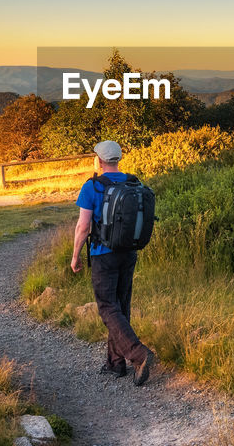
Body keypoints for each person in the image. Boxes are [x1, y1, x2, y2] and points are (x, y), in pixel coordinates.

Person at [70, 140, 158, 386]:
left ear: (98, 160)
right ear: (118, 159)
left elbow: (83, 226)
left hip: (103, 254)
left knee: (108, 308)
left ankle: (139, 355)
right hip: (129, 252)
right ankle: (115, 363)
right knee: (121, 306)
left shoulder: (92, 187)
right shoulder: (133, 182)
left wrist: (75, 256)